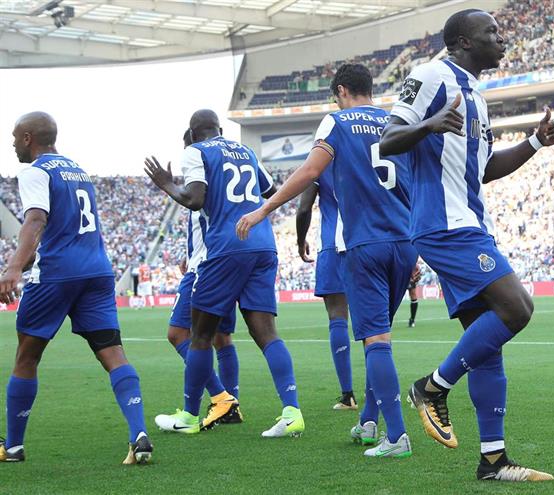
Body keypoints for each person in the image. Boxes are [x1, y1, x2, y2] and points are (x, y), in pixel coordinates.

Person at [380, 9, 554, 481]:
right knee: (518, 308)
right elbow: (387, 139)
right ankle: (432, 387)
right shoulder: (429, 77)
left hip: (469, 223)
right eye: (492, 32)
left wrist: (533, 143)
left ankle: (492, 460)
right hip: (444, 226)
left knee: (488, 344)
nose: (501, 39)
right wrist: (427, 126)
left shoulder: (477, 99)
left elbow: (484, 168)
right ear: (464, 41)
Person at [237, 64, 416, 458]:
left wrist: (263, 210)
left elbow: (311, 171)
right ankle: (369, 421)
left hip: (365, 243)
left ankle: (397, 436)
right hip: (405, 241)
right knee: (379, 336)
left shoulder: (335, 122)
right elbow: (413, 182)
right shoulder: (397, 121)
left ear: (341, 91)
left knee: (376, 340)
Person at [0, 112, 152, 464]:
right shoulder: (78, 171)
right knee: (113, 352)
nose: (10, 144)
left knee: (27, 355)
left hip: (57, 272)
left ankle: (15, 446)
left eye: (13, 137)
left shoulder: (36, 170)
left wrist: (12, 266)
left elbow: (36, 218)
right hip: (97, 271)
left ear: (27, 138)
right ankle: (138, 434)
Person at [148, 110, 304, 437]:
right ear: (219, 128)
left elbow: (194, 199)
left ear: (192, 134)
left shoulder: (196, 151)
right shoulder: (245, 151)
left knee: (200, 335)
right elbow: (270, 189)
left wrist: (166, 184)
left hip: (225, 248)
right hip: (262, 243)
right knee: (267, 334)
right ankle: (292, 412)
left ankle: (190, 416)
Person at [142, 129, 243, 431]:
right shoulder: (225, 177)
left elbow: (195, 203)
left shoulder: (200, 173)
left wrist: (167, 185)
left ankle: (220, 399)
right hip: (223, 260)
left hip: (205, 266)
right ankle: (230, 406)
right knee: (222, 338)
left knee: (179, 334)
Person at [296, 170, 356, 410]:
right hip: (365, 239)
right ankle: (380, 393)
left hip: (332, 245)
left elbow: (303, 209)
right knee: (375, 323)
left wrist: (301, 241)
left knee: (337, 317)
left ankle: (348, 395)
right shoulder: (363, 148)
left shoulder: (319, 162)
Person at [407, 261, 422, 327]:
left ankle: (412, 319)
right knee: (392, 295)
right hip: (398, 270)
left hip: (409, 271)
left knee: (413, 294)